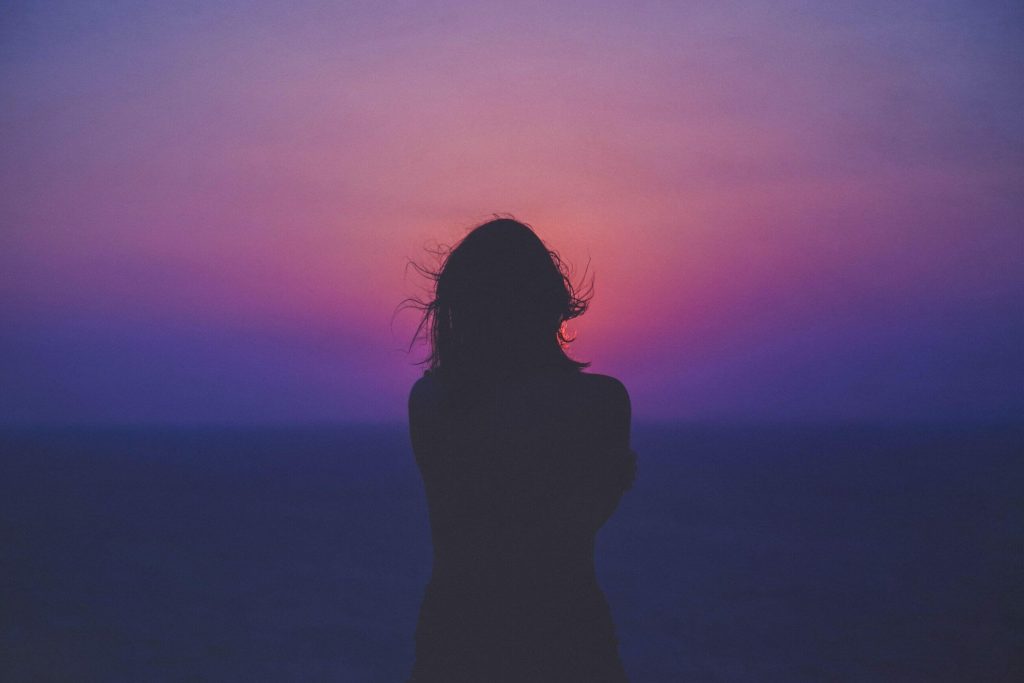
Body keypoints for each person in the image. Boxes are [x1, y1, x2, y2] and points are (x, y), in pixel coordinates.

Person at [406, 218, 636, 682]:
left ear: (461, 309)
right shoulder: (601, 403)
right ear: (550, 303)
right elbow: (566, 527)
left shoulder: (430, 402)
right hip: (565, 637)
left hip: (456, 638)